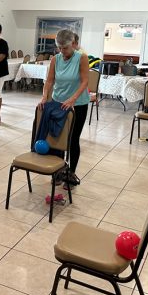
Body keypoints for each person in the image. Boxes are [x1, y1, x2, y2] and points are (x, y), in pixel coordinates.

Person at [39, 29, 89, 186]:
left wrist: (73, 99)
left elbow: (84, 81)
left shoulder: (82, 58)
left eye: (65, 48)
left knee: (73, 139)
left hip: (78, 104)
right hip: (57, 102)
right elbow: (49, 81)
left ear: (73, 44)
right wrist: (44, 97)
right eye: (59, 48)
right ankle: (59, 170)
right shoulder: (56, 59)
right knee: (57, 138)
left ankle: (71, 173)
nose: (62, 51)